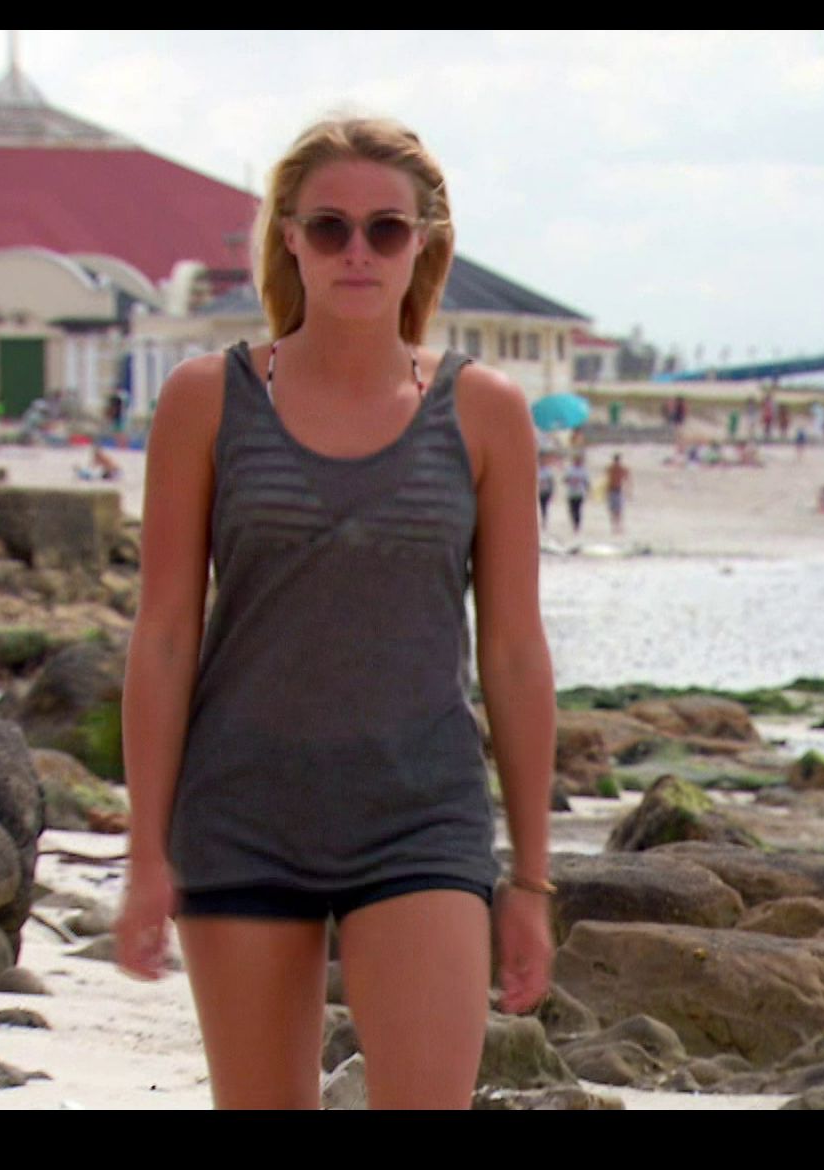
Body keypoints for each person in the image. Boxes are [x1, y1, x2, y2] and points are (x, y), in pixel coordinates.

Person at [113, 114, 556, 1111]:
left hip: (421, 818)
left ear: (422, 244)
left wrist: (531, 881)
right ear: (290, 237)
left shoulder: (486, 412)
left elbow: (515, 653)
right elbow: (166, 636)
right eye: (330, 227)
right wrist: (146, 857)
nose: (358, 251)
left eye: (385, 230)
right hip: (241, 814)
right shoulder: (206, 400)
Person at [604, 453, 631, 534]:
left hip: (617, 490)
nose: (616, 463)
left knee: (618, 510)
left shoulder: (619, 469)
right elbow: (606, 479)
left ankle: (618, 527)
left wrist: (628, 490)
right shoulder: (611, 469)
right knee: (613, 510)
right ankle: (615, 527)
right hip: (612, 490)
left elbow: (627, 479)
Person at [564, 452, 591, 535]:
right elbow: (565, 479)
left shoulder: (583, 470)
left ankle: (577, 525)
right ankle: (574, 524)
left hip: (580, 493)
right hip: (571, 493)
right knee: (572, 510)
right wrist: (571, 481)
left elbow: (587, 482)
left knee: (578, 510)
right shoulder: (570, 470)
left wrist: (588, 491)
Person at [536, 455, 556, 530]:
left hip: (547, 491)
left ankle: (544, 520)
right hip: (540, 491)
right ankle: (543, 520)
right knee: (542, 506)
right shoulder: (537, 471)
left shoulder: (548, 471)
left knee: (545, 506)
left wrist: (552, 492)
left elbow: (551, 482)